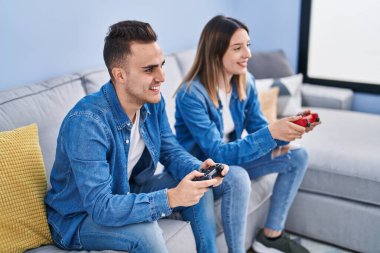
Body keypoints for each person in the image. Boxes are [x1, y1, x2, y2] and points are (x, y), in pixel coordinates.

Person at [44, 20, 250, 253]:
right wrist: (171, 198)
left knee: (196, 184)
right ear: (120, 75)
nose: (162, 77)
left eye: (161, 65)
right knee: (146, 232)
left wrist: (198, 167)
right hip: (79, 217)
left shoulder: (152, 103)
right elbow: (101, 206)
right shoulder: (87, 123)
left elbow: (170, 151)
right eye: (149, 69)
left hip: (128, 188)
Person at [175, 15, 320, 253]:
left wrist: (291, 128)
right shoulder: (191, 94)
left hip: (232, 158)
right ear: (215, 52)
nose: (248, 54)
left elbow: (259, 129)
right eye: (238, 48)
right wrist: (271, 133)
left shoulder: (246, 82)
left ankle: (270, 236)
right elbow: (217, 153)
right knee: (239, 176)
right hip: (204, 166)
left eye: (248, 46)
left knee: (298, 156)